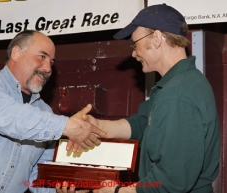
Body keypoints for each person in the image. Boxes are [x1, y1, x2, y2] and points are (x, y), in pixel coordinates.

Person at [57, 3, 220, 193]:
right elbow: (143, 124)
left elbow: (171, 183)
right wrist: (97, 127)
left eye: (135, 44)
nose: (134, 52)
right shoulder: (175, 86)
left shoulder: (178, 94)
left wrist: (116, 191)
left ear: (157, 38)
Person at [0, 30, 107, 193]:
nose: (48, 68)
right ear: (16, 53)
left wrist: (63, 188)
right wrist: (66, 126)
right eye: (42, 56)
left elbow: (38, 177)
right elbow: (9, 117)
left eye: (51, 62)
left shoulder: (44, 112)